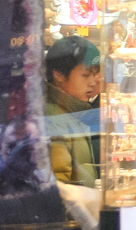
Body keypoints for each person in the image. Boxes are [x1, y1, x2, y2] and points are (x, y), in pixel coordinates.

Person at [44, 35, 103, 187]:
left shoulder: (73, 113)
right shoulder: (53, 122)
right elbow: (58, 191)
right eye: (85, 75)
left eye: (95, 75)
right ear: (58, 75)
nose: (92, 82)